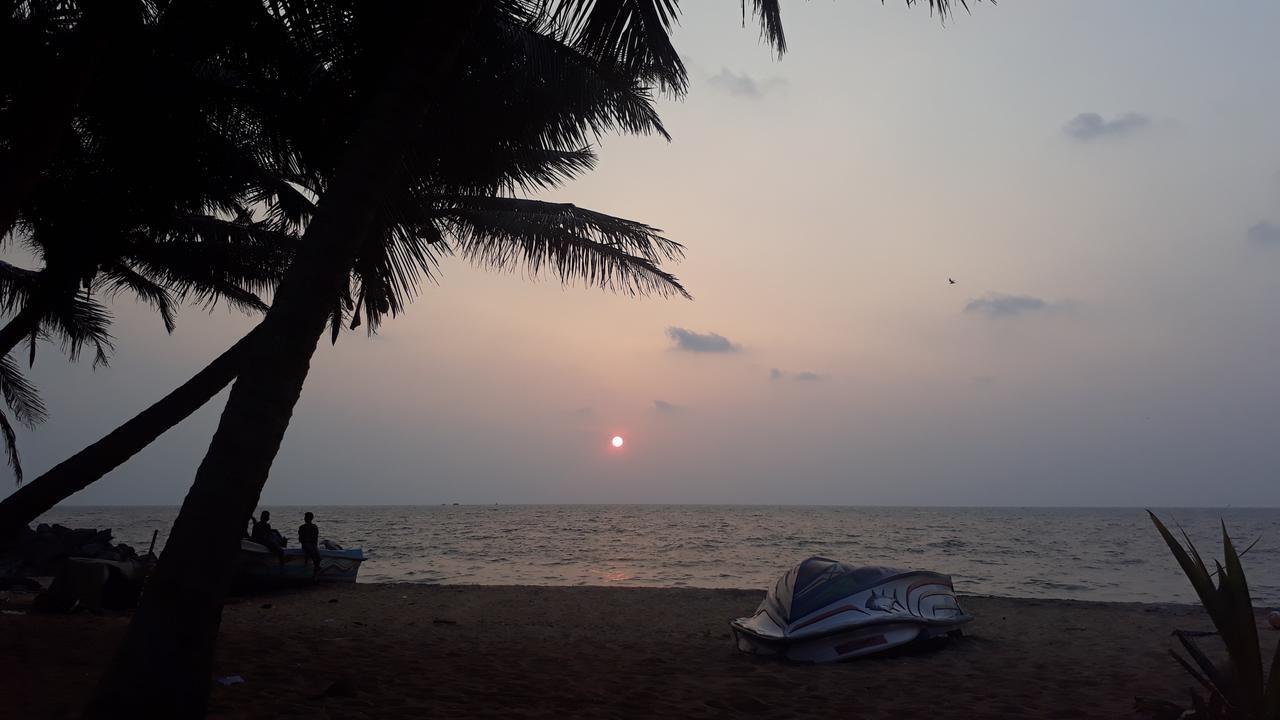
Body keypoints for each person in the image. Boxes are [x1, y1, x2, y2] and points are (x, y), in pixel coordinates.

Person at [298, 511, 321, 577]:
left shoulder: (310, 527)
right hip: (308, 545)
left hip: (310, 545)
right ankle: (316, 570)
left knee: (317, 557)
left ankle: (315, 571)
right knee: (316, 557)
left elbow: (301, 539)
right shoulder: (303, 527)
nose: (305, 518)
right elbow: (301, 539)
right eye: (305, 517)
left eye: (306, 517)